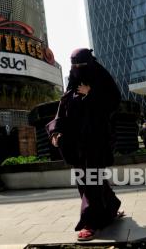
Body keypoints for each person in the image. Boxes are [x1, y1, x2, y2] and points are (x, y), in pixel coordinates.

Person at [47, 48, 124, 241]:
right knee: (89, 178)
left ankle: (90, 222)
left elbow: (113, 103)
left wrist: (92, 93)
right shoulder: (71, 88)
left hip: (97, 140)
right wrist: (56, 132)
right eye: (75, 66)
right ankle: (111, 207)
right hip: (75, 143)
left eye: (82, 65)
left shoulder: (102, 81)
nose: (78, 69)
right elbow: (61, 111)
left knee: (89, 180)